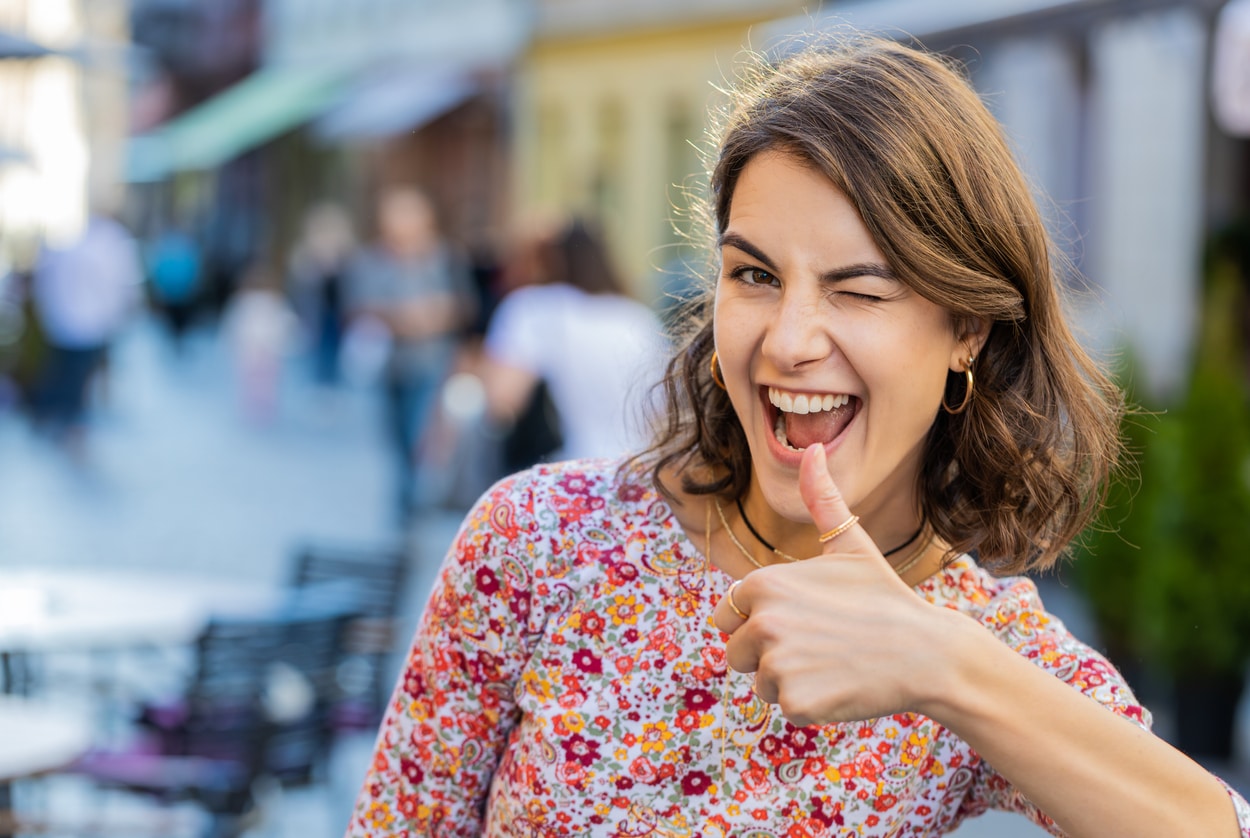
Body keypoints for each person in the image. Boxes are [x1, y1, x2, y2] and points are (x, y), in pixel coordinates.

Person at [345, 35, 1250, 836]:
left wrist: (942, 666)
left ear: (967, 329)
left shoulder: (974, 646)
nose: (787, 341)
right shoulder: (539, 539)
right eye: (755, 275)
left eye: (859, 289)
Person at [480, 218, 667, 469]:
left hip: (571, 474)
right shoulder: (639, 318)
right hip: (641, 472)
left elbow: (502, 401)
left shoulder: (535, 309)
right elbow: (662, 415)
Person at [345, 186, 477, 520]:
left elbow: (466, 305)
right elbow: (357, 305)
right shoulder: (372, 260)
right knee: (396, 430)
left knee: (423, 427)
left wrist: (436, 314)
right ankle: (406, 492)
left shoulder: (445, 257)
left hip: (433, 357)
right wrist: (401, 316)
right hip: (388, 359)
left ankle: (416, 493)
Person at [29, 211, 142, 453]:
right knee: (75, 375)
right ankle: (66, 419)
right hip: (85, 325)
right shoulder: (104, 249)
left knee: (68, 372)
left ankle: (57, 416)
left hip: (70, 323)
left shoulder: (77, 250)